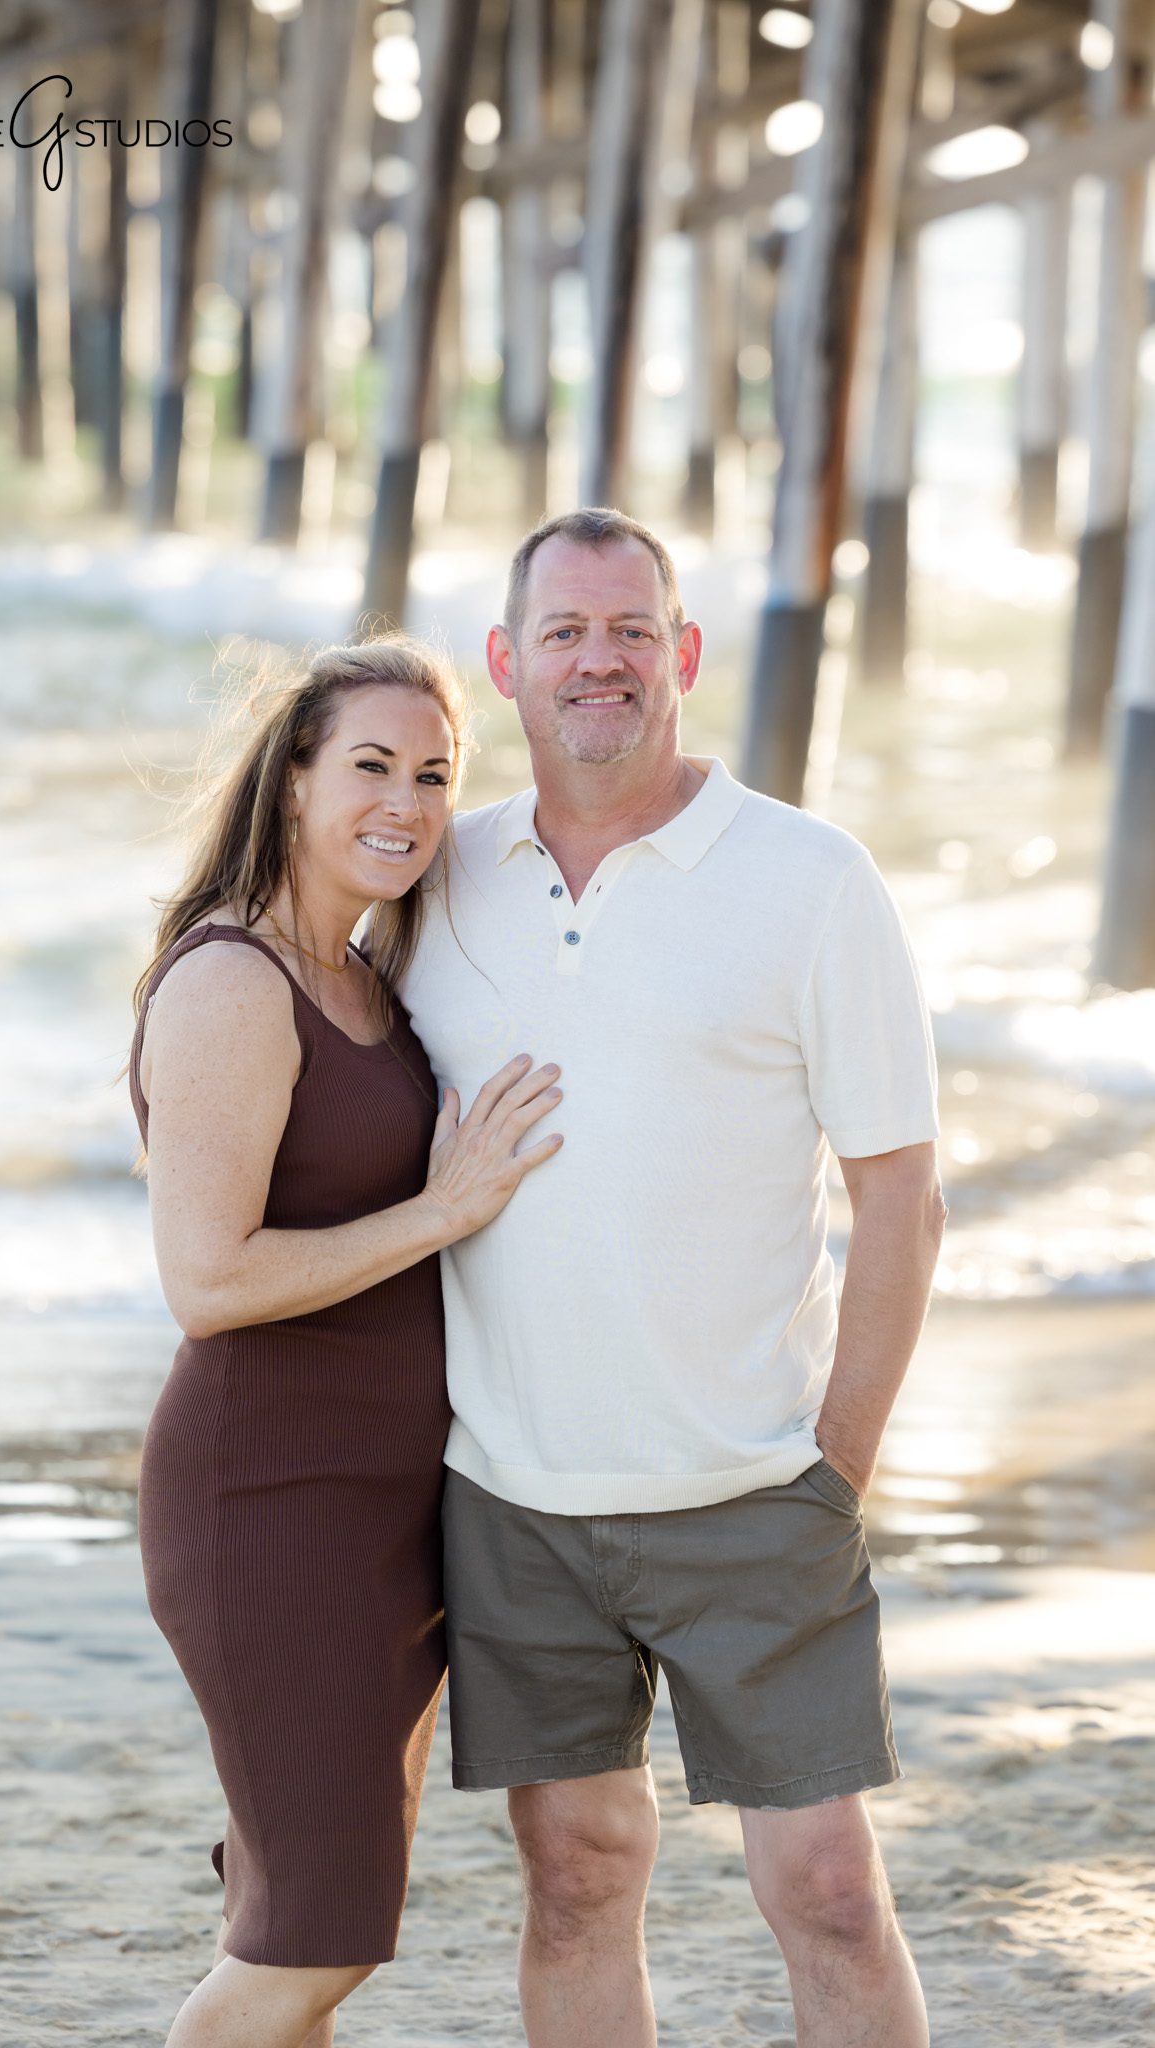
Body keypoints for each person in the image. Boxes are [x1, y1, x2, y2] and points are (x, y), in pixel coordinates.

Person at [399, 509, 946, 2048]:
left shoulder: (809, 878)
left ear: (684, 653)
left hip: (755, 1490)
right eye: (564, 632)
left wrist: (834, 1467)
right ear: (504, 663)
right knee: (575, 1877)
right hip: (511, 1500)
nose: (601, 660)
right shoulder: (435, 876)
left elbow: (900, 1197)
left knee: (828, 1890)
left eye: (632, 629)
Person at [127, 637, 563, 2048]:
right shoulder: (232, 983)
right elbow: (208, 1279)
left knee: (301, 1922)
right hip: (270, 1505)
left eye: (435, 775)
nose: (407, 802)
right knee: (317, 1937)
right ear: (294, 780)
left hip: (392, 1516)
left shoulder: (375, 980)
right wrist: (444, 1210)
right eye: (370, 765)